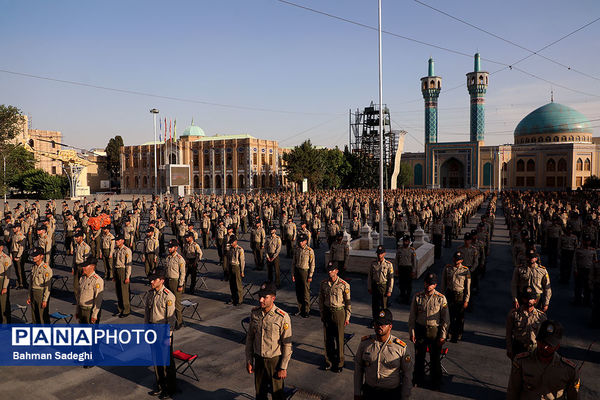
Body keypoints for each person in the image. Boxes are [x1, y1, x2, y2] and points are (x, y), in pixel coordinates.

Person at [507, 320, 580, 399]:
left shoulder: (569, 370)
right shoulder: (521, 362)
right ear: (537, 341)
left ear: (557, 346)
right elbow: (513, 392)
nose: (545, 347)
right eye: (542, 342)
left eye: (549, 345)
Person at [245, 282, 293, 400]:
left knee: (277, 395)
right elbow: (250, 338)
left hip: (274, 362)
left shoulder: (282, 317)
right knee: (260, 393)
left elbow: (287, 345)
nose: (261, 300)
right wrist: (249, 360)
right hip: (259, 360)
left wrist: (283, 367)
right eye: (260, 296)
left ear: (273, 298)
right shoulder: (255, 313)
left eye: (265, 297)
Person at [354, 309, 413, 400]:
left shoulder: (401, 348)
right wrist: (357, 392)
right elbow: (358, 369)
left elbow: (407, 374)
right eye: (377, 323)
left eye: (383, 324)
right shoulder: (365, 344)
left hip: (391, 394)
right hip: (370, 392)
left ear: (390, 326)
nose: (379, 326)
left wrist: (405, 396)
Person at [409, 272, 449, 390]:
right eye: (427, 283)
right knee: (419, 356)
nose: (428, 286)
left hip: (434, 332)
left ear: (435, 285)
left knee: (435, 358)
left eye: (431, 284)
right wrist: (412, 332)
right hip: (420, 330)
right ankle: (418, 379)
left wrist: (443, 335)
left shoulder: (441, 298)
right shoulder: (418, 297)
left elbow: (445, 319)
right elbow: (412, 317)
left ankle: (435, 381)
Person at [145, 269, 177, 399]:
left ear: (162, 280)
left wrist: (168, 335)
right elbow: (147, 313)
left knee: (166, 363)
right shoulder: (150, 293)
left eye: (154, 279)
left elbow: (171, 318)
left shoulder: (168, 295)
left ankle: (170, 389)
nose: (151, 281)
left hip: (163, 332)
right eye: (151, 279)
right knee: (156, 359)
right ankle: (160, 386)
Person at [318, 261, 351, 372]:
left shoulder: (344, 284)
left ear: (337, 271)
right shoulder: (323, 283)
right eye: (329, 270)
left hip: (339, 312)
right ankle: (329, 361)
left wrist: (347, 317)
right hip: (327, 312)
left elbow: (348, 303)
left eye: (332, 270)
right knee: (328, 338)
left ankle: (340, 363)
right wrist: (322, 313)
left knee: (339, 339)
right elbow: (321, 300)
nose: (330, 272)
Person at [505, 286, 547, 359]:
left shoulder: (541, 316)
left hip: (534, 350)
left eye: (531, 299)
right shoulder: (514, 314)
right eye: (526, 298)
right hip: (518, 348)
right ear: (522, 299)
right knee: (517, 369)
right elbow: (508, 334)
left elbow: (544, 337)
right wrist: (509, 349)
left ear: (535, 300)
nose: (528, 301)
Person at [440, 251, 471, 342]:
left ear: (461, 260)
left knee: (459, 317)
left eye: (458, 260)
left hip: (459, 296)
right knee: (448, 315)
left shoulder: (465, 270)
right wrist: (442, 296)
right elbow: (443, 283)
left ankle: (457, 334)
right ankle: (448, 333)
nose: (456, 261)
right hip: (450, 294)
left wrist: (467, 300)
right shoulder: (448, 268)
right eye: (455, 259)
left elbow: (467, 287)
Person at [368, 245, 394, 327]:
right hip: (375, 286)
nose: (379, 255)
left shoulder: (388, 265)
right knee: (375, 305)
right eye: (378, 253)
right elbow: (370, 276)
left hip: (383, 286)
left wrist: (389, 290)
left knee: (383, 305)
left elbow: (391, 279)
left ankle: (383, 321)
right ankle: (375, 320)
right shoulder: (373, 264)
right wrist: (369, 287)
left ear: (384, 254)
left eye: (381, 253)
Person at [27, 247, 53, 324]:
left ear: (41, 256)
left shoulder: (46, 269)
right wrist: (29, 296)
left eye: (36, 255)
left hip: (41, 293)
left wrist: (45, 300)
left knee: (42, 315)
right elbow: (31, 283)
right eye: (33, 255)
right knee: (34, 314)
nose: (33, 257)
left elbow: (47, 286)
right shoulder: (34, 267)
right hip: (33, 292)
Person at [292, 234, 315, 318]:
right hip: (297, 271)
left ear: (306, 241)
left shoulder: (309, 251)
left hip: (305, 271)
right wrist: (293, 274)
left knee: (306, 292)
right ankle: (300, 309)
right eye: (299, 241)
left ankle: (306, 310)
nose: (300, 242)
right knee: (298, 291)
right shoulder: (297, 249)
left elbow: (312, 264)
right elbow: (293, 262)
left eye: (302, 241)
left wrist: (310, 275)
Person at [165, 239, 185, 329]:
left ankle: (179, 321)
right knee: (169, 303)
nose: (169, 249)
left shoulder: (179, 259)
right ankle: (171, 320)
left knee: (177, 304)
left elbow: (182, 273)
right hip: (168, 281)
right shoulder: (168, 258)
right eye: (168, 247)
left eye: (171, 247)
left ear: (176, 248)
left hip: (175, 281)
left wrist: (180, 285)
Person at [76, 257, 103, 324]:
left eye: (85, 266)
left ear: (92, 267)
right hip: (81, 309)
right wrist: (77, 310)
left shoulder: (97, 280)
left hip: (89, 311)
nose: (83, 268)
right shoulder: (82, 278)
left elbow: (98, 300)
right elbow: (79, 296)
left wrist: (94, 314)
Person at [113, 234, 132, 318]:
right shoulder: (116, 250)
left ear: (122, 241)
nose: (116, 242)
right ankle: (120, 308)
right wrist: (113, 274)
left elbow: (129, 265)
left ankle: (126, 310)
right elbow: (114, 263)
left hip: (123, 270)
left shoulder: (126, 250)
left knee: (124, 291)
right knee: (118, 291)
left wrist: (127, 276)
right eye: (116, 240)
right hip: (117, 270)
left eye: (118, 240)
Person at [395, 235, 416, 304]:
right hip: (401, 268)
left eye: (407, 241)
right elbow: (396, 260)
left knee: (408, 284)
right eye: (404, 241)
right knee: (401, 284)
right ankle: (402, 296)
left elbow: (414, 262)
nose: (405, 243)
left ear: (409, 242)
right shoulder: (399, 250)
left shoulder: (412, 250)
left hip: (408, 269)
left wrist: (413, 271)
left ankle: (407, 298)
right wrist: (397, 269)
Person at [225, 235, 245, 306]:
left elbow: (242, 261)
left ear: (236, 242)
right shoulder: (230, 249)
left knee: (238, 284)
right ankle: (233, 298)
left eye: (232, 242)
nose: (231, 243)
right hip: (231, 266)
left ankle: (240, 300)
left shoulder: (240, 249)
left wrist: (242, 271)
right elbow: (227, 258)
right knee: (232, 284)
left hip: (237, 267)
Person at [72, 230, 91, 299]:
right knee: (75, 284)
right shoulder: (76, 246)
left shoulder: (86, 247)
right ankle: (78, 299)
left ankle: (83, 298)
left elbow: (86, 260)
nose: (76, 238)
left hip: (82, 266)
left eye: (77, 237)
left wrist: (85, 269)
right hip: (76, 265)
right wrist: (73, 267)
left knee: (83, 283)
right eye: (75, 237)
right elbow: (74, 257)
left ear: (82, 237)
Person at [0, 240, 11, 323]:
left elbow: (7, 275)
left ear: (1, 247)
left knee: (3, 304)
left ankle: (5, 323)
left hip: (2, 280)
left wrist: (4, 287)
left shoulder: (5, 258)